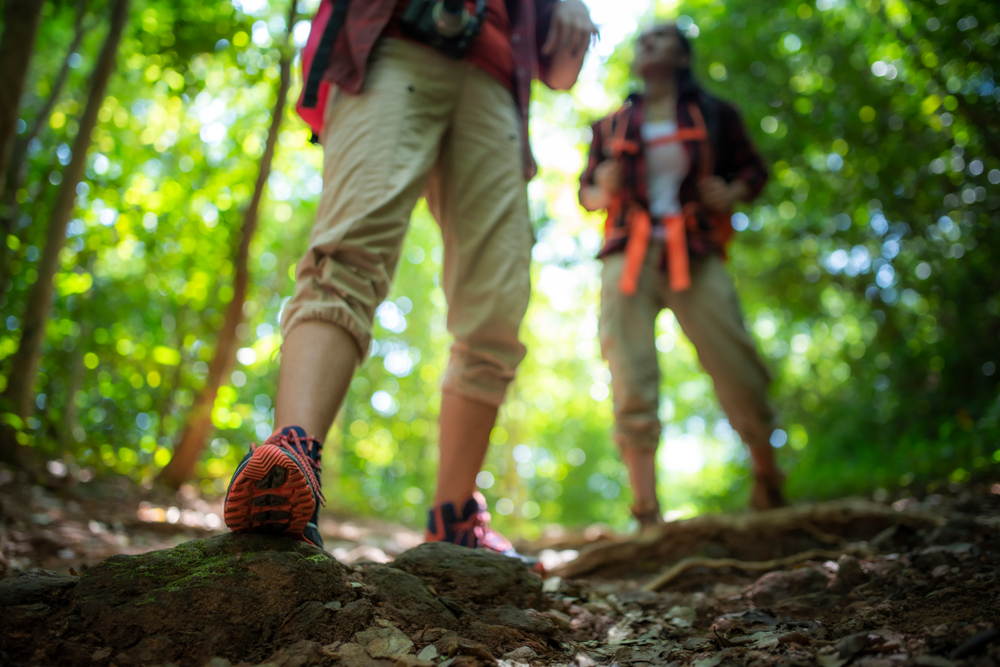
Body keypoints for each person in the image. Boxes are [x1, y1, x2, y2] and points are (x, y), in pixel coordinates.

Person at [222, 0, 598, 559]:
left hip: (496, 83)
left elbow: (561, 73)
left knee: (497, 304)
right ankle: (291, 461)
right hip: (387, 40)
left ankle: (453, 521)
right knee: (348, 251)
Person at [578, 23, 785, 531]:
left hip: (695, 250)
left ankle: (768, 476)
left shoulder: (716, 115)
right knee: (629, 372)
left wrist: (731, 192)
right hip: (627, 255)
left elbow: (754, 172)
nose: (648, 41)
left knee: (734, 358)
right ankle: (646, 513)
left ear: (683, 54)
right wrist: (601, 189)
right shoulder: (610, 126)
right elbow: (585, 195)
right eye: (642, 38)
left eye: (662, 36)